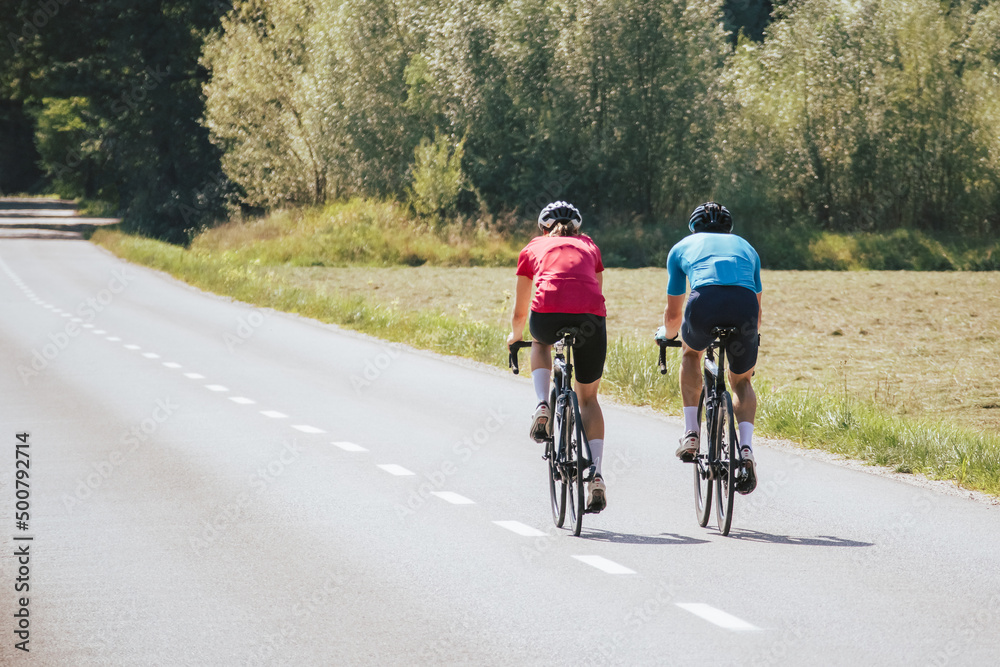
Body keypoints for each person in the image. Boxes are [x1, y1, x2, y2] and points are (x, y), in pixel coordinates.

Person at [507, 201, 609, 513]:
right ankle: (597, 476)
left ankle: (542, 405)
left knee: (540, 343)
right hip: (590, 319)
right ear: (577, 228)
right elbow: (595, 290)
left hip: (547, 316)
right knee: (588, 399)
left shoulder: (533, 246)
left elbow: (521, 309)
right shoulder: (590, 246)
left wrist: (515, 336)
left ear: (543, 228)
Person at [656, 202, 762, 494]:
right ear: (729, 229)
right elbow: (758, 308)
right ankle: (747, 449)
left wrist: (666, 334)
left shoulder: (681, 247)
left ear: (693, 228)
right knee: (741, 381)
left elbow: (674, 315)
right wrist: (751, 338)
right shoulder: (747, 247)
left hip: (704, 302)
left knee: (690, 354)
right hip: (745, 309)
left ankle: (691, 432)